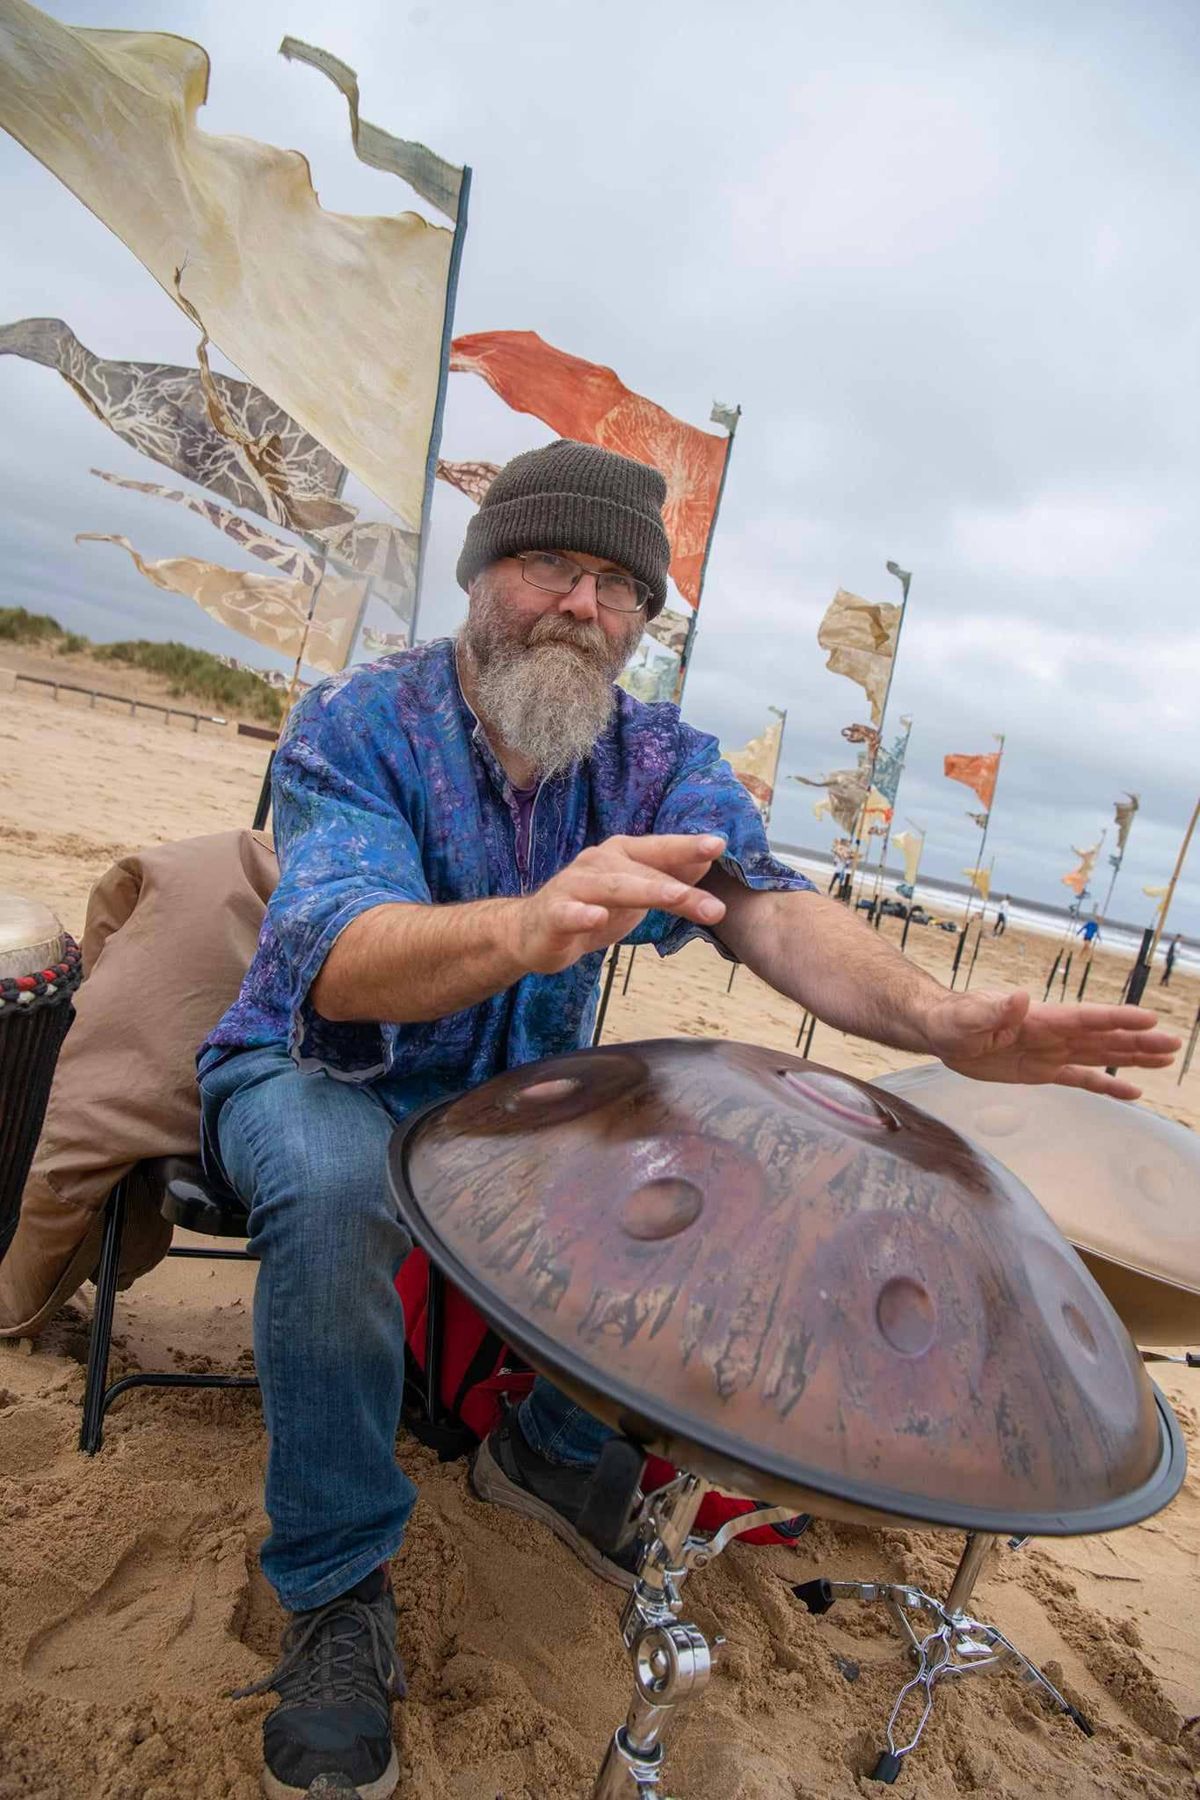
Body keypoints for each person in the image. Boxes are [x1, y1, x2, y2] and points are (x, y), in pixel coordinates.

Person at [198, 440, 1180, 1800]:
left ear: (645, 622)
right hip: (325, 1070)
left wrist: (940, 1017)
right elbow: (342, 950)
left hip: (514, 1104)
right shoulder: (360, 723)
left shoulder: (651, 758)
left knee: (724, 1155)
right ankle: (336, 1590)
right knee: (336, 1184)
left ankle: (543, 1448)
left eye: (617, 587)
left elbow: (769, 907)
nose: (579, 606)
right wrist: (529, 929)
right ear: (485, 575)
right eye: (549, 564)